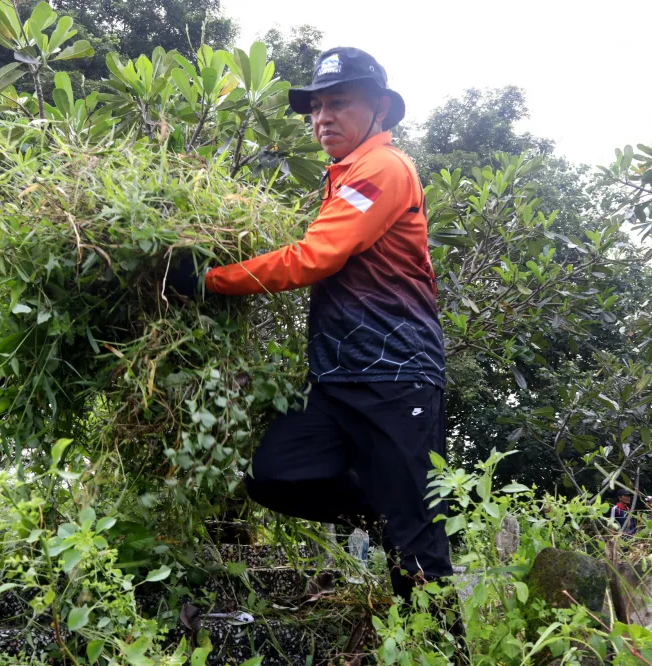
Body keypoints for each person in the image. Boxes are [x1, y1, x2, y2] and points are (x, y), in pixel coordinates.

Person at [170, 47, 451, 601]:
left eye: (338, 103)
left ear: (379, 109)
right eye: (316, 107)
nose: (322, 118)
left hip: (395, 379)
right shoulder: (344, 179)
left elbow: (313, 258)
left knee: (416, 551)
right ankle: (383, 507)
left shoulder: (383, 169)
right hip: (338, 380)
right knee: (271, 473)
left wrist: (212, 279)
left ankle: (441, 648)